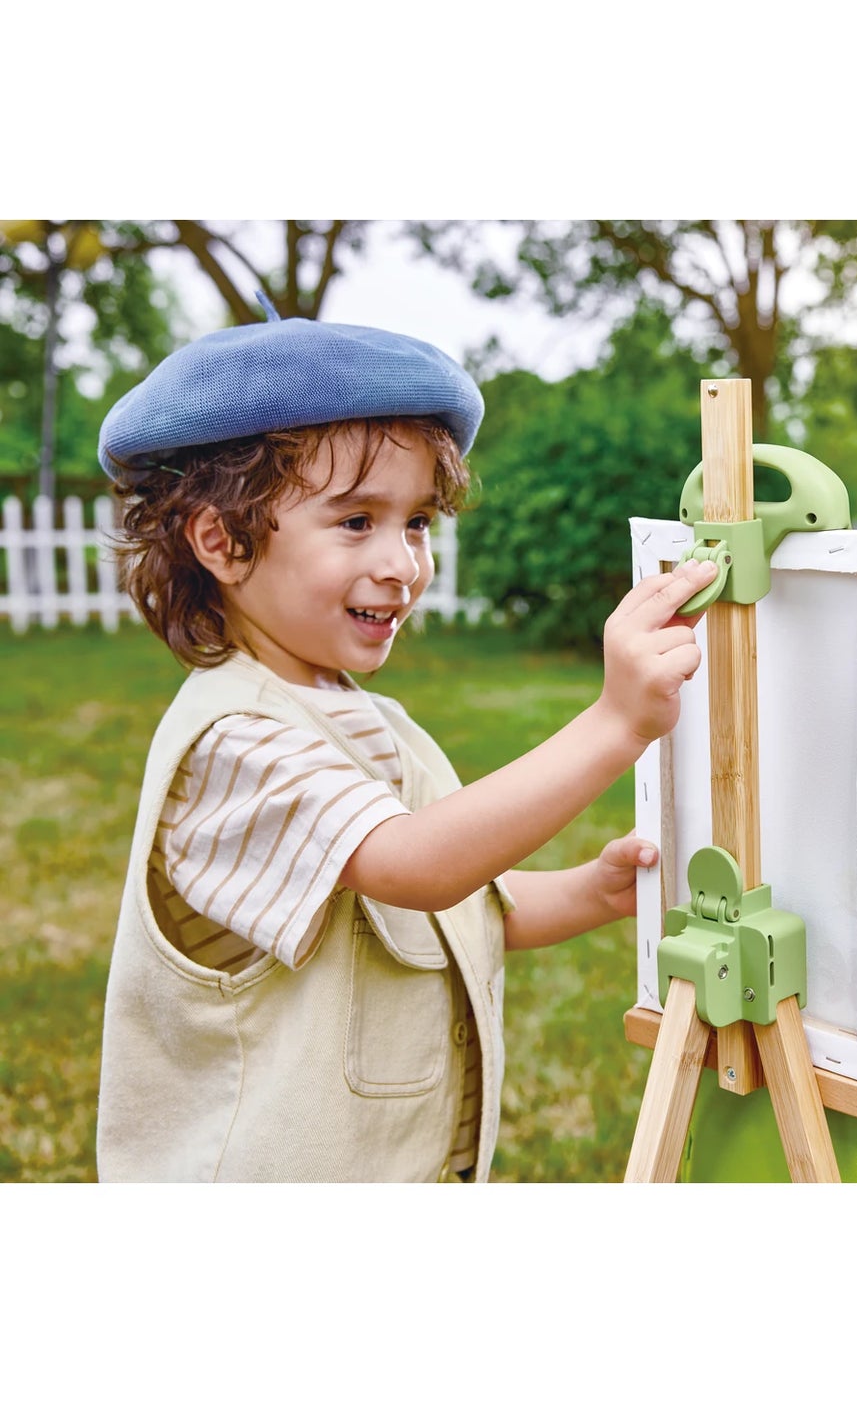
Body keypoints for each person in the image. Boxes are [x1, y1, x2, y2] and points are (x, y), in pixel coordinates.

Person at [93, 309, 716, 1182]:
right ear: (221, 541)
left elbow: (449, 906)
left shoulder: (368, 724)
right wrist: (614, 724)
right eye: (355, 522)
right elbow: (416, 865)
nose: (403, 562)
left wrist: (586, 891)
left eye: (417, 520)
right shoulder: (234, 743)